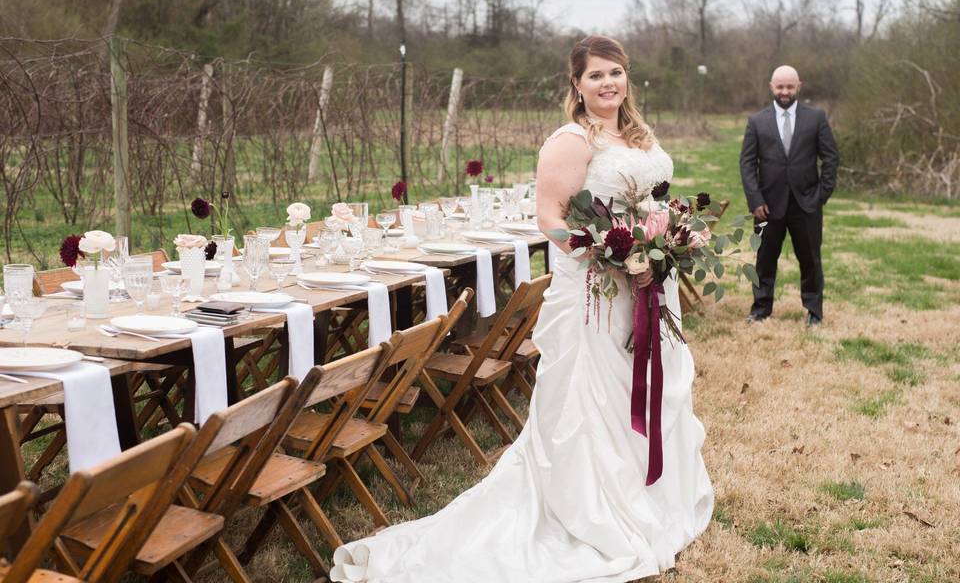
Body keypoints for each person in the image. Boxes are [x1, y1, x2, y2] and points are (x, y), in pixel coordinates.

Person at [330, 36, 713, 583]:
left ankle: (648, 496)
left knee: (649, 379)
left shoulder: (635, 134)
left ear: (627, 77)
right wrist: (607, 252)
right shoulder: (570, 140)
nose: (608, 83)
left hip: (648, 284)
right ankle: (592, 507)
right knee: (594, 395)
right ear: (576, 86)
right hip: (596, 291)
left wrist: (667, 238)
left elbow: (648, 201)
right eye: (596, 76)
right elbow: (550, 217)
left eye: (616, 73)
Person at [739, 65, 839, 327]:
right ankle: (761, 308)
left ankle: (814, 311)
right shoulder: (757, 121)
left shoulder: (816, 118)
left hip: (807, 204)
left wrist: (820, 196)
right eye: (780, 86)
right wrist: (755, 200)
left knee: (810, 260)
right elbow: (747, 164)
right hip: (767, 206)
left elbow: (831, 159)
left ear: (798, 86)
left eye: (790, 86)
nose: (785, 91)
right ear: (772, 87)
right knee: (764, 260)